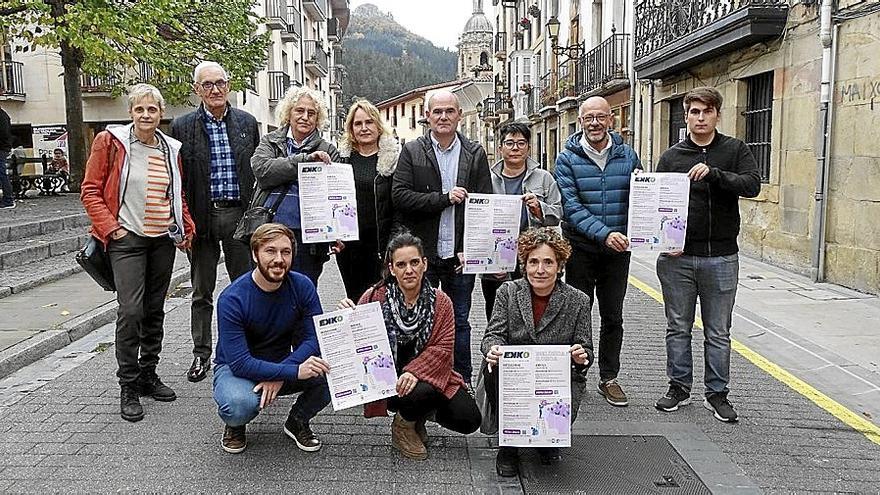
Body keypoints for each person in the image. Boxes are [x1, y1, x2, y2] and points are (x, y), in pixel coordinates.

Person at [80, 84, 196, 422]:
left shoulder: (170, 148)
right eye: (140, 110)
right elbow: (90, 190)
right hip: (126, 239)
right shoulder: (111, 142)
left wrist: (185, 227)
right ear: (131, 112)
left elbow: (176, 195)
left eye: (153, 110)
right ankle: (128, 384)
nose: (146, 116)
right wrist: (111, 228)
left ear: (161, 114)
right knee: (130, 310)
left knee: (154, 309)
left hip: (161, 240)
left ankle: (148, 374)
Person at [654, 86, 761, 423]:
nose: (700, 118)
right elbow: (658, 204)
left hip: (721, 257)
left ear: (717, 114)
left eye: (706, 112)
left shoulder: (735, 149)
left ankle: (717, 394)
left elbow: (752, 185)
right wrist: (659, 237)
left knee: (718, 330)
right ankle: (678, 387)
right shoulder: (672, 157)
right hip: (678, 258)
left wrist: (716, 175)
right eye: (694, 112)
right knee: (678, 326)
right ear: (686, 117)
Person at [337, 232, 481, 460]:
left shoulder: (441, 301)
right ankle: (403, 427)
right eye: (401, 264)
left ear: (424, 264)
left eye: (414, 262)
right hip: (387, 382)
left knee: (468, 418)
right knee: (425, 389)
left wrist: (415, 371)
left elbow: (443, 349)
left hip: (423, 378)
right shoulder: (374, 296)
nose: (409, 270)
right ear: (392, 269)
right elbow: (357, 347)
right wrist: (347, 321)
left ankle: (415, 416)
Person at [392, 90, 492, 384]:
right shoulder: (412, 150)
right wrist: (443, 199)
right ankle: (417, 381)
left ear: (459, 115)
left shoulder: (475, 153)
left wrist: (470, 249)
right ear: (427, 117)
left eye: (450, 111)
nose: (444, 117)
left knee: (460, 322)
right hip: (423, 256)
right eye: (437, 112)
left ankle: (461, 382)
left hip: (460, 257)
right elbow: (400, 196)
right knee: (416, 321)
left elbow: (482, 206)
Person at [170, 61, 260, 384]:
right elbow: (176, 180)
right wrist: (182, 223)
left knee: (245, 286)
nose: (215, 90)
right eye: (207, 85)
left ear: (229, 84)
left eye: (220, 83)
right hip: (202, 217)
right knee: (201, 290)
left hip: (238, 216)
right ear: (197, 90)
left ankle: (244, 348)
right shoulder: (181, 127)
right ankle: (201, 353)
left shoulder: (247, 124)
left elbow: (257, 174)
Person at [480, 227, 593, 476]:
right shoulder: (507, 292)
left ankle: (545, 438)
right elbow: (492, 335)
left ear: (560, 265)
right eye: (533, 262)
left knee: (554, 422)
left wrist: (580, 357)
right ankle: (509, 445)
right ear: (524, 264)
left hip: (556, 379)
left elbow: (586, 349)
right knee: (492, 370)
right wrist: (493, 349)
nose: (540, 270)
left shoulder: (579, 301)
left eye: (548, 262)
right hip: (516, 375)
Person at [554, 96, 642, 407]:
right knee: (577, 313)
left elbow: (642, 199)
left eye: (601, 117)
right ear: (580, 122)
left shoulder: (628, 156)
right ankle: (575, 375)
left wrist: (654, 235)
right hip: (581, 247)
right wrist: (606, 234)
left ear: (611, 120)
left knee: (613, 316)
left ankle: (609, 377)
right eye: (589, 117)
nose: (595, 123)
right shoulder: (566, 159)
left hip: (618, 251)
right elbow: (571, 208)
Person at [213, 223, 331, 454]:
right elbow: (240, 363)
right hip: (238, 369)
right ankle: (235, 425)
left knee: (332, 371)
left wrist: (280, 373)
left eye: (285, 252)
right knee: (239, 404)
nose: (279, 259)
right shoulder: (232, 299)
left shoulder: (302, 285)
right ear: (255, 254)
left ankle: (297, 420)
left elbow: (314, 337)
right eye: (270, 251)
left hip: (282, 360)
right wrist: (293, 372)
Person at [251, 85, 341, 288]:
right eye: (299, 110)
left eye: (311, 113)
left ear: (317, 119)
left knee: (303, 292)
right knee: (268, 291)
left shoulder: (328, 150)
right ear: (288, 113)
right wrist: (305, 160)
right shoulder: (270, 141)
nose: (305, 117)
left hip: (309, 240)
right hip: (269, 230)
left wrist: (338, 231)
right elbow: (263, 172)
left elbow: (335, 195)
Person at [482, 122, 562, 320]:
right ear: (500, 147)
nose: (515, 148)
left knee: (532, 315)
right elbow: (479, 221)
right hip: (496, 259)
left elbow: (558, 213)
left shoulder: (544, 178)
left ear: (529, 147)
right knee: (496, 315)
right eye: (509, 143)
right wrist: (492, 262)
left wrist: (539, 208)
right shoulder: (486, 180)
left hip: (533, 259)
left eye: (521, 143)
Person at [336, 99, 401, 300]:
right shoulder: (341, 159)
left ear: (378, 125)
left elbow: (399, 206)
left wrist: (394, 242)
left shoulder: (393, 160)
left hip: (381, 245)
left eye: (369, 122)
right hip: (349, 247)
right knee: (355, 299)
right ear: (351, 128)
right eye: (358, 123)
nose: (364, 128)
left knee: (380, 299)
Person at [0, 104, 14, 209]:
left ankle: (8, 199)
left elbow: (4, 134)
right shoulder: (4, 115)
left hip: (1, 148)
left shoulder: (2, 116)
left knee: (2, 173)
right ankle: (7, 199)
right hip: (3, 148)